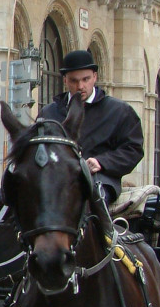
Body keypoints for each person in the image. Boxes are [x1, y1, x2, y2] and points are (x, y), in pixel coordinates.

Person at [38, 49, 144, 204]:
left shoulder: (119, 111)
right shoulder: (49, 113)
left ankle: (107, 229)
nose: (80, 86)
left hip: (100, 179)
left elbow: (133, 149)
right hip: (55, 178)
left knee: (93, 195)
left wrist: (102, 162)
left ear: (95, 77)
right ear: (65, 80)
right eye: (74, 80)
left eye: (85, 79)